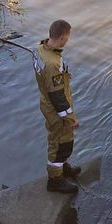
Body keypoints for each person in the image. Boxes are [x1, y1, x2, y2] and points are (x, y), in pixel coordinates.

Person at [33, 19, 80, 193]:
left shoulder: (40, 49)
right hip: (56, 111)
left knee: (62, 142)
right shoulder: (52, 64)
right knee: (60, 144)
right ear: (62, 38)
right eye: (67, 38)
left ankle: (62, 166)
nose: (67, 40)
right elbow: (57, 96)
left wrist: (65, 73)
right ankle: (55, 179)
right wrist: (70, 118)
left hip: (46, 103)